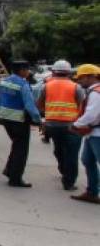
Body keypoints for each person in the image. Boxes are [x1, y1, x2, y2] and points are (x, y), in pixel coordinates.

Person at [36, 60, 84, 191]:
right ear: (69, 72)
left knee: (59, 149)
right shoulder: (76, 87)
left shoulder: (47, 86)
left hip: (52, 126)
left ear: (53, 72)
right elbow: (83, 106)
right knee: (72, 154)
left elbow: (39, 105)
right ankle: (68, 182)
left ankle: (63, 170)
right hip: (71, 126)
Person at [0, 61, 43, 187]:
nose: (28, 72)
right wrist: (38, 120)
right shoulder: (23, 84)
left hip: (5, 119)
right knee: (21, 150)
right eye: (27, 69)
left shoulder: (4, 81)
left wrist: (0, 114)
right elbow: (30, 105)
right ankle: (15, 178)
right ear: (22, 70)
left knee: (16, 146)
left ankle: (9, 171)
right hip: (19, 120)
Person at [71, 64, 100, 204]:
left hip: (97, 134)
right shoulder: (92, 91)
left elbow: (91, 115)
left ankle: (93, 192)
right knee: (87, 160)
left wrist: (76, 125)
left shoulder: (96, 93)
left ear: (91, 77)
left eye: (81, 78)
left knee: (90, 161)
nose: (79, 81)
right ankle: (92, 192)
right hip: (92, 133)